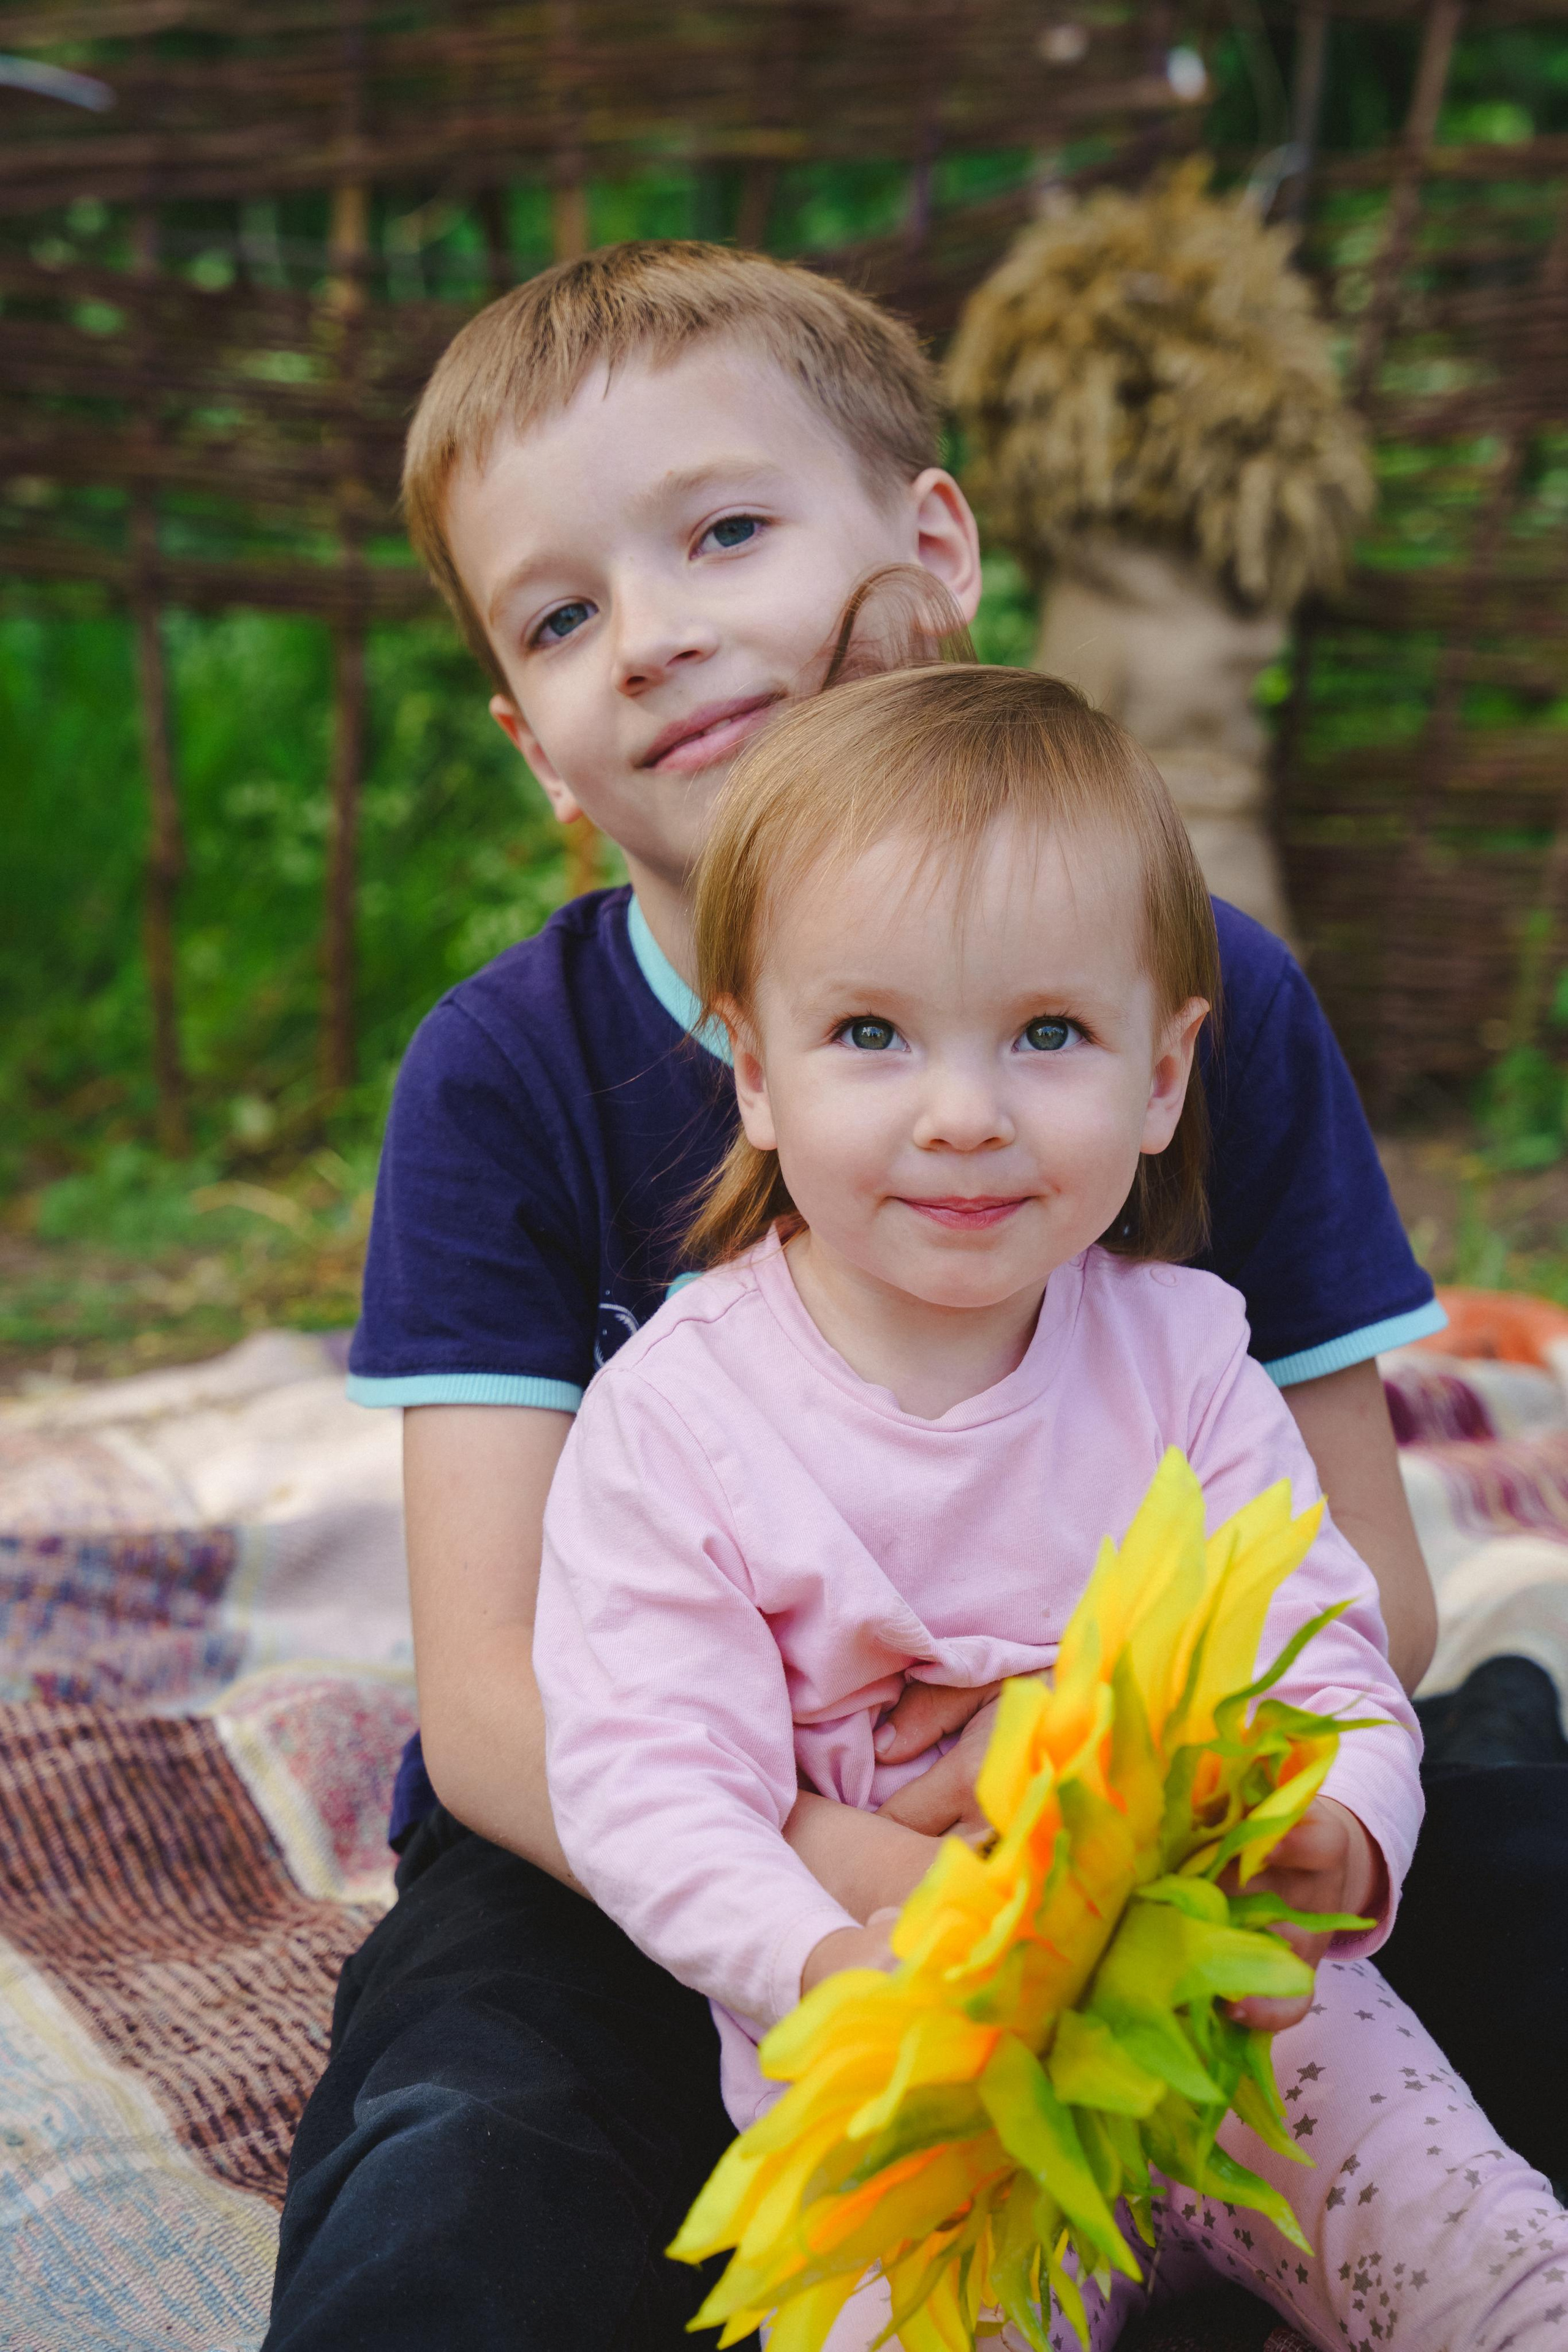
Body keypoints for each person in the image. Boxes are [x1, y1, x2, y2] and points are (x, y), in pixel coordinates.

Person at [260, 242, 1516, 2352]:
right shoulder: (505, 1073)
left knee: (1505, 1923)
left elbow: (1360, 1587)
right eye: (564, 616)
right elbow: (495, 1711)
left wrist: (1076, 1804)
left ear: (931, 547)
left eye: (726, 531)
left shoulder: (1193, 982)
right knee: (463, 2179)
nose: (653, 637)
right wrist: (869, 1875)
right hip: (629, 1841)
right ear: (534, 744)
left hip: (1155, 1817)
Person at [533, 662, 1566, 2350]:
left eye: (1048, 1035)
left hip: (1242, 2024)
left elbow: (1330, 1651)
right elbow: (649, 1778)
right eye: (871, 1033)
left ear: (1163, 1077)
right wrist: (818, 1961)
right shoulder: (681, 1417)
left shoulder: (1184, 1359)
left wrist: (1348, 1815)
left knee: (1480, 2245)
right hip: (928, 2074)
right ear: (756, 1068)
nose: (964, 1112)